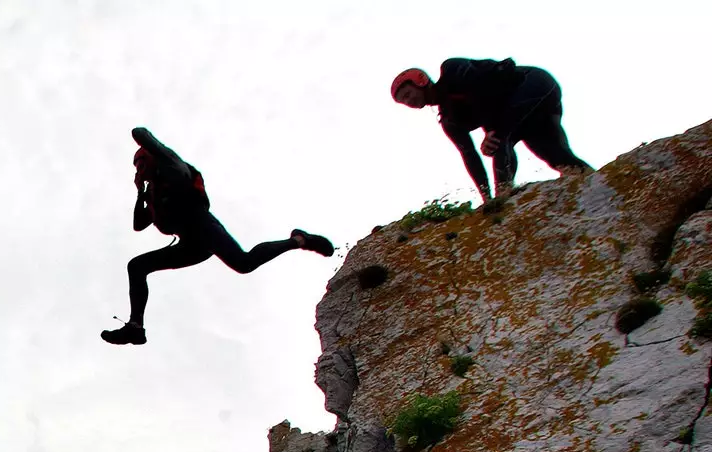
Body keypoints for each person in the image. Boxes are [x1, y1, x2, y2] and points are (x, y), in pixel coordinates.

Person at [101, 128, 334, 346]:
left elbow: (139, 133)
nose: (138, 169)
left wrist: (148, 148)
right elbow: (138, 225)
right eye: (135, 166)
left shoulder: (172, 166)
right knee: (137, 266)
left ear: (151, 157)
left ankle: (299, 240)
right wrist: (140, 192)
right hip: (190, 245)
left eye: (141, 163)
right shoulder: (151, 190)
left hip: (202, 225)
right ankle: (136, 326)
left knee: (244, 263)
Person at [390, 59, 592, 204]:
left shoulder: (452, 70)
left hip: (534, 83)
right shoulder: (449, 121)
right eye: (403, 101)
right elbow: (470, 156)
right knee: (557, 157)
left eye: (408, 94)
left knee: (499, 139)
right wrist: (485, 196)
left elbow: (484, 88)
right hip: (526, 112)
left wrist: (490, 130)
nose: (408, 101)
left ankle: (503, 197)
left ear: (421, 80)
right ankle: (593, 181)